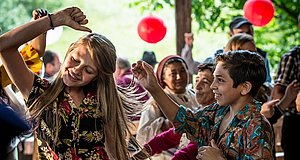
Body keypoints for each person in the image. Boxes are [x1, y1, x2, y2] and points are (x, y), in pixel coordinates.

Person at [0, 7, 138, 159]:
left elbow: (115, 152)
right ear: (68, 53)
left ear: (97, 76)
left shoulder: (103, 101)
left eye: (89, 70)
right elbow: (5, 46)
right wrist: (54, 20)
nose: (77, 70)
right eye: (75, 60)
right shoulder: (40, 92)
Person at [132, 50, 274, 159]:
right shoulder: (218, 111)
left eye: (220, 80)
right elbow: (185, 121)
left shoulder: (257, 128)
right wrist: (154, 88)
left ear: (244, 87)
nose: (213, 86)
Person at [131, 62, 216, 160]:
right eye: (197, 80)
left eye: (205, 82)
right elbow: (167, 138)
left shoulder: (213, 118)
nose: (197, 86)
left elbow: (189, 151)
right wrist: (139, 155)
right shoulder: (198, 114)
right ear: (163, 78)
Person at [136, 55, 198, 159]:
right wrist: (163, 124)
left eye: (183, 71)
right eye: (173, 74)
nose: (179, 77)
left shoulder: (194, 95)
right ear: (163, 78)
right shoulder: (155, 102)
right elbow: (142, 136)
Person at [210, 17, 272, 83]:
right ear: (231, 34)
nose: (245, 35)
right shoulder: (219, 56)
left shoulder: (261, 55)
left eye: (249, 32)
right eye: (241, 32)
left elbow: (267, 81)